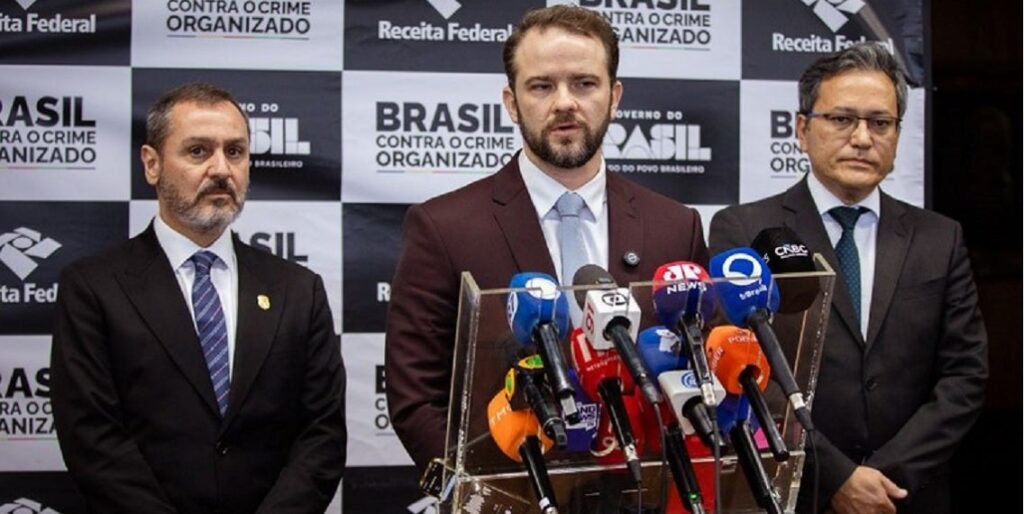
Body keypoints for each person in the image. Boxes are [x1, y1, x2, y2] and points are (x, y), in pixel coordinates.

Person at [385, 5, 709, 472]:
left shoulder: (676, 225)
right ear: (511, 102)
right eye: (541, 86)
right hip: (510, 487)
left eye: (584, 83)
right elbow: (414, 395)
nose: (564, 102)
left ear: (615, 97)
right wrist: (484, 492)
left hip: (646, 489)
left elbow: (698, 369)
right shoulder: (443, 227)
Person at [709, 43, 987, 514]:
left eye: (880, 123)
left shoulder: (940, 238)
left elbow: (964, 376)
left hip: (905, 497)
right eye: (842, 119)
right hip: (795, 492)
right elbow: (742, 369)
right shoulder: (743, 230)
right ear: (802, 130)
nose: (862, 138)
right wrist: (836, 478)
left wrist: (884, 479)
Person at [50, 83, 346, 514]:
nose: (221, 169)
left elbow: (322, 433)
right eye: (198, 151)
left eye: (235, 152)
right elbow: (92, 438)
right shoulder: (93, 288)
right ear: (152, 164)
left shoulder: (298, 290)